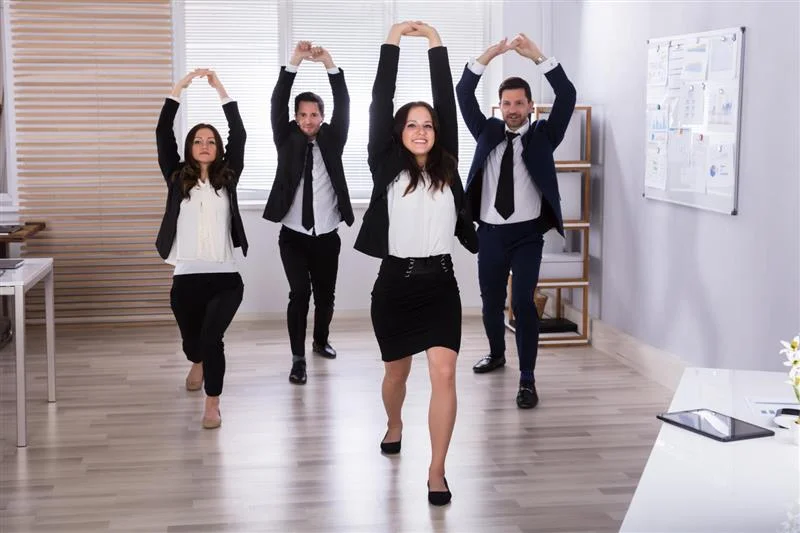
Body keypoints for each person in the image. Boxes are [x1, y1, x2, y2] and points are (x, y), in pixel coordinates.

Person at [354, 21, 478, 506]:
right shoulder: (384, 166)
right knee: (396, 376)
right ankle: (394, 421)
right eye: (412, 124)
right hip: (395, 286)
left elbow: (445, 101)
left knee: (444, 374)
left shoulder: (448, 163)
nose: (422, 130)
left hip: (442, 285)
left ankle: (437, 471)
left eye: (428, 125)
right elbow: (378, 103)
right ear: (399, 133)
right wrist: (391, 41)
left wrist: (436, 44)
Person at [456, 34, 576, 409]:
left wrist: (538, 56)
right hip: (490, 233)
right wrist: (491, 55)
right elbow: (463, 91)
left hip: (527, 236)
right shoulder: (486, 131)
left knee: (523, 302)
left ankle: (527, 379)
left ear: (529, 106)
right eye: (506, 103)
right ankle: (496, 354)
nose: (512, 109)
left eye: (519, 103)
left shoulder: (544, 136)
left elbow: (567, 95)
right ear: (500, 106)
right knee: (490, 302)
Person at [155, 68, 248, 429]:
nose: (205, 145)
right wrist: (178, 89)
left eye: (211, 140)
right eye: (198, 140)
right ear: (189, 148)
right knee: (194, 344)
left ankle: (213, 403)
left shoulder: (229, 178)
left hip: (226, 278)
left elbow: (239, 133)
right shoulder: (177, 178)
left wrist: (220, 90)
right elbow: (163, 132)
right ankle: (196, 360)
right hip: (187, 278)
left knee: (213, 339)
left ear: (218, 148)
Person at [264, 41, 353, 385]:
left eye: (313, 114)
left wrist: (329, 63)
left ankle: (320, 340)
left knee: (326, 296)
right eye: (301, 114)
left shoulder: (334, 138)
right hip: (293, 236)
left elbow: (344, 103)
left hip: (327, 234)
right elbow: (276, 102)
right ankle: (297, 358)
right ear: (295, 118)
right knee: (300, 293)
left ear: (322, 117)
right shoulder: (285, 138)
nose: (307, 120)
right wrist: (294, 63)